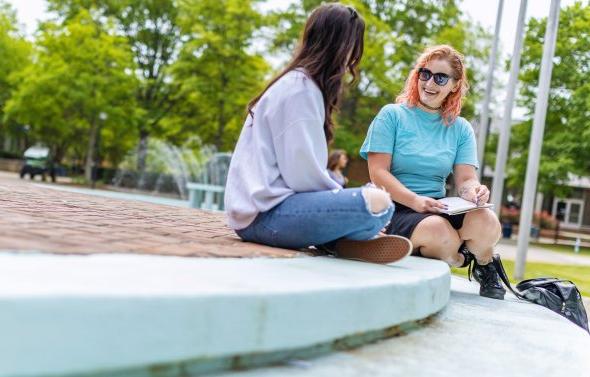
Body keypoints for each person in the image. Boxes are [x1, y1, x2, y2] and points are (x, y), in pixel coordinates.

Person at [224, 3, 411, 264]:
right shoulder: (301, 90)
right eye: (352, 49)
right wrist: (346, 198)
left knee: (371, 201)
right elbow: (303, 176)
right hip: (265, 217)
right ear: (340, 46)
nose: (351, 62)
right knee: (379, 203)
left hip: (257, 214)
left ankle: (341, 240)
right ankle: (345, 239)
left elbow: (302, 175)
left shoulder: (296, 84)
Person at [360, 45, 505, 298]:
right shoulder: (391, 115)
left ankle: (484, 263)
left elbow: (465, 179)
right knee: (440, 232)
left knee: (488, 222)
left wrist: (474, 192)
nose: (429, 83)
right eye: (424, 73)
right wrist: (415, 201)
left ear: (455, 85)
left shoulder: (460, 128)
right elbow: (378, 173)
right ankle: (458, 258)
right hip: (396, 206)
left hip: (437, 205)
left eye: (440, 77)